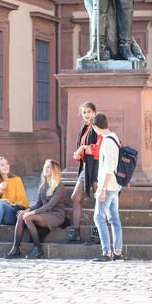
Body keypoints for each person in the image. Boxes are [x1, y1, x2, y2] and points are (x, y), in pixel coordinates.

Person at [3, 159, 65, 260]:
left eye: (48, 167)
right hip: (45, 213)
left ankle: (38, 249)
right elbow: (39, 203)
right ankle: (15, 248)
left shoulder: (59, 186)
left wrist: (32, 213)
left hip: (56, 215)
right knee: (21, 216)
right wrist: (27, 211)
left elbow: (50, 205)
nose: (45, 168)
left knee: (28, 218)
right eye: (45, 166)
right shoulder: (43, 185)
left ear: (54, 171)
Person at [59, 102, 101, 245]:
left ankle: (98, 233)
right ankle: (75, 232)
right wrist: (79, 154)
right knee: (75, 197)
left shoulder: (98, 127)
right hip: (85, 167)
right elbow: (82, 148)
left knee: (98, 199)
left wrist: (83, 148)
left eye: (89, 112)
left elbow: (99, 148)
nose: (86, 115)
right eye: (84, 112)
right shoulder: (84, 128)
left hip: (96, 166)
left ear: (94, 112)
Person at [89, 112, 124, 262]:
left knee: (99, 218)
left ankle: (107, 253)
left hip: (108, 186)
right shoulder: (113, 137)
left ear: (96, 127)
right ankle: (117, 253)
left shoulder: (108, 141)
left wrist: (102, 189)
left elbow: (109, 167)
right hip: (114, 185)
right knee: (114, 219)